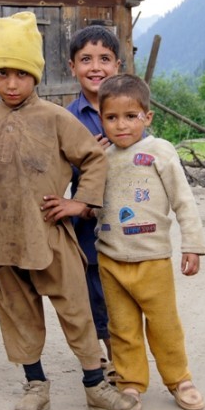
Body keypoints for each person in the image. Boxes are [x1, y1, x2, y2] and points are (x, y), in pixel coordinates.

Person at [0, 11, 140, 410]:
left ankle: (95, 386)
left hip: (51, 236)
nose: (12, 84)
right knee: (18, 314)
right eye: (2, 74)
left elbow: (93, 160)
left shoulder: (55, 118)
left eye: (21, 74)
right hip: (4, 244)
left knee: (77, 311)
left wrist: (80, 204)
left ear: (37, 75)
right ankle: (35, 384)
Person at [91, 73, 205, 410]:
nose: (121, 126)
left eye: (131, 116)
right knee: (122, 328)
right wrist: (90, 163)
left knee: (164, 324)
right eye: (111, 117)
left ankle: (179, 379)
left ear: (148, 117)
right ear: (101, 119)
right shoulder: (102, 156)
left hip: (152, 257)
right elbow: (86, 199)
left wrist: (192, 244)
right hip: (111, 259)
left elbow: (183, 200)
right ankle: (130, 383)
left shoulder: (160, 151)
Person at [66, 25, 122, 371]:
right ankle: (111, 354)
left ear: (118, 65)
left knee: (127, 287)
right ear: (72, 67)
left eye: (104, 58)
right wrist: (85, 161)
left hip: (128, 218)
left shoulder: (130, 111)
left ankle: (128, 352)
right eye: (86, 59)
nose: (95, 67)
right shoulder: (67, 118)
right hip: (88, 224)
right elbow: (58, 173)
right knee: (95, 291)